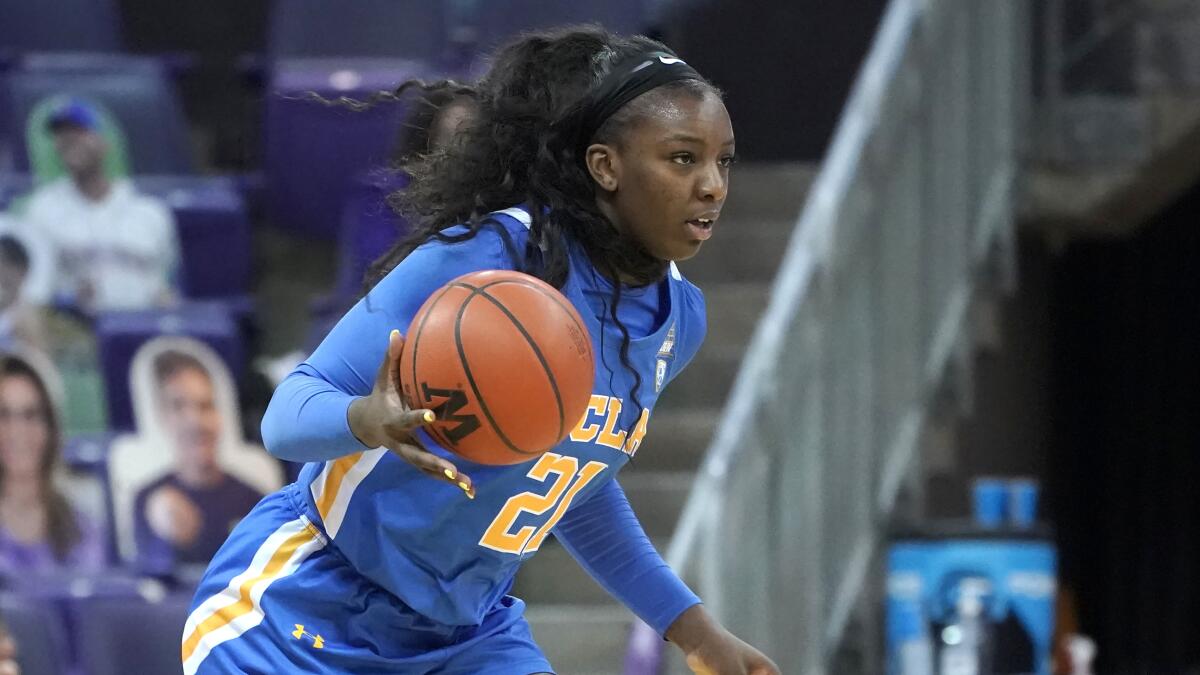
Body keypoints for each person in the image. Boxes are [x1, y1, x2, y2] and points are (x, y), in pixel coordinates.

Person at [183, 27, 778, 675]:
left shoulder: (677, 322)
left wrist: (691, 626)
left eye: (724, 161)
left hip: (466, 637)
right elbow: (286, 416)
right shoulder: (490, 257)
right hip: (308, 607)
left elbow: (574, 483)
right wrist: (365, 419)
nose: (714, 186)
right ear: (606, 166)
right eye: (684, 158)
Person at [20, 98, 178, 315]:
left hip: (142, 324)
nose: (69, 139)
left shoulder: (149, 211)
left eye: (80, 131)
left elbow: (166, 282)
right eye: (61, 135)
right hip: (75, 329)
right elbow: (33, 291)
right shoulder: (41, 209)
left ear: (105, 142)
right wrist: (68, 298)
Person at [132, 349, 263, 575]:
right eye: (179, 406)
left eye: (205, 406)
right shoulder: (146, 499)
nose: (195, 421)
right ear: (161, 416)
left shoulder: (255, 501)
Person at [0, 354, 104, 576]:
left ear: (51, 426)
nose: (16, 431)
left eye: (30, 415)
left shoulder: (84, 530)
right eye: (3, 415)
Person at [0, 236, 45, 354]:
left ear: (21, 270)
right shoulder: (5, 309)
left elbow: (33, 363)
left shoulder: (26, 319)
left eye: (4, 262)